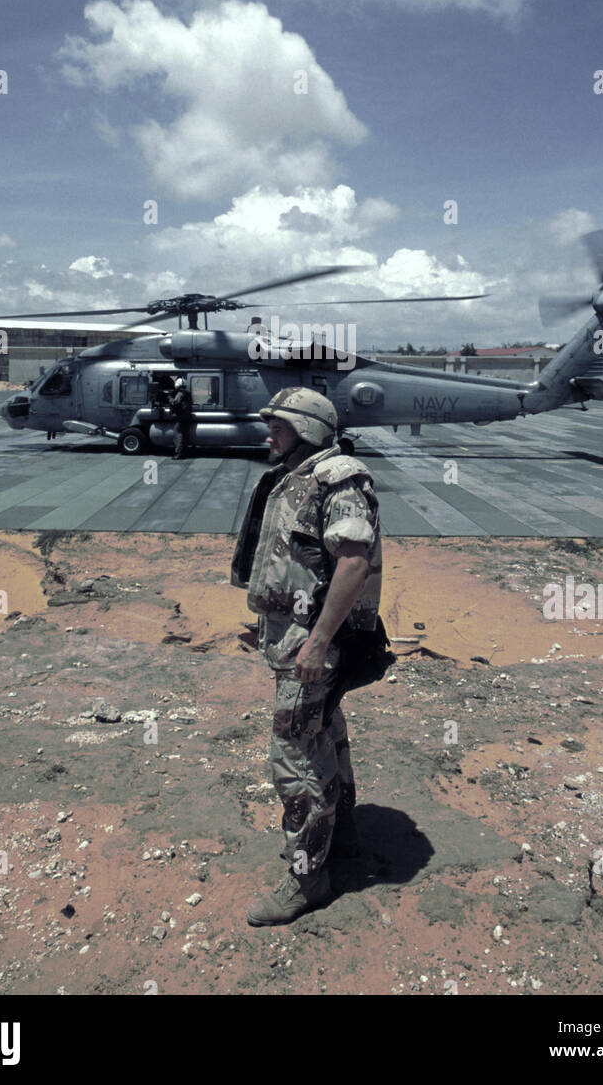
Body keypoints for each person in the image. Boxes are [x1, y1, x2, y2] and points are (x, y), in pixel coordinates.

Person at [231, 386, 381, 926]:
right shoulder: (297, 476)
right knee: (325, 734)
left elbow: (352, 563)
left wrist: (317, 642)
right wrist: (266, 623)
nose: (269, 432)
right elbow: (297, 563)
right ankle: (340, 841)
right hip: (293, 637)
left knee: (295, 760)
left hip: (313, 645)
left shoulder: (338, 478)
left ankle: (307, 879)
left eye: (281, 424)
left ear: (310, 430)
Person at [168, 376, 194, 459]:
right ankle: (185, 451)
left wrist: (169, 398)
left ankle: (179, 453)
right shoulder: (188, 392)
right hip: (187, 416)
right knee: (185, 435)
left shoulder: (180, 393)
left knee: (177, 434)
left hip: (181, 416)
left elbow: (175, 402)